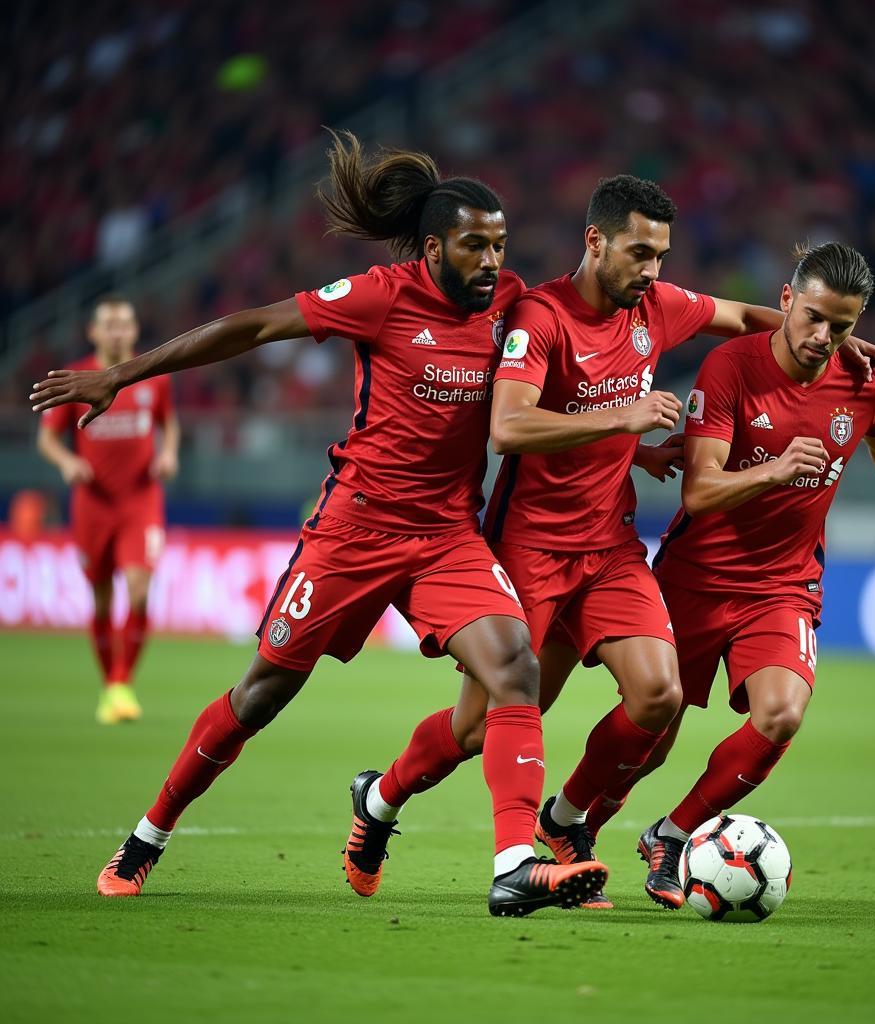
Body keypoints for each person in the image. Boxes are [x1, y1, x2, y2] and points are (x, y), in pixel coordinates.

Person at [30, 131, 608, 918]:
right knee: (262, 694)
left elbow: (572, 370)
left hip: (446, 536)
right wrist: (123, 374)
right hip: (355, 530)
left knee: (514, 668)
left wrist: (629, 441)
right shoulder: (382, 294)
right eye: (474, 245)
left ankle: (513, 862)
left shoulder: (513, 305)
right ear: (433, 245)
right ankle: (146, 836)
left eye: (500, 246)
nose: (490, 262)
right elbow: (256, 326)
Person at [347, 177, 875, 910]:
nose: (655, 272)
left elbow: (736, 314)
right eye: (641, 253)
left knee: (659, 693)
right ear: (595, 240)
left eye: (662, 256)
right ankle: (380, 799)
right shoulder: (539, 316)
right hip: (531, 550)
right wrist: (629, 423)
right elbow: (512, 427)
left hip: (608, 546)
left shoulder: (656, 308)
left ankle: (564, 831)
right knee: (478, 725)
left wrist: (834, 340)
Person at [599, 241, 875, 909]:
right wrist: (775, 469)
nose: (822, 337)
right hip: (697, 577)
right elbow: (699, 493)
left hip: (784, 585)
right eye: (812, 318)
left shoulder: (864, 380)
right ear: (786, 299)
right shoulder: (730, 367)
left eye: (842, 326)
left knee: (780, 715)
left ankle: (673, 834)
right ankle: (574, 823)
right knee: (654, 733)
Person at [37, 296, 179, 724]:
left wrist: (169, 453)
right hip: (92, 504)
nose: (118, 331)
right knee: (101, 602)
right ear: (94, 332)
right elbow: (47, 438)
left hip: (140, 500)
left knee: (137, 590)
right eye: (109, 325)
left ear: (135, 332)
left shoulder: (152, 377)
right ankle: (110, 686)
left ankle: (121, 684)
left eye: (124, 324)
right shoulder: (76, 380)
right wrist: (67, 462)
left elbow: (169, 422)